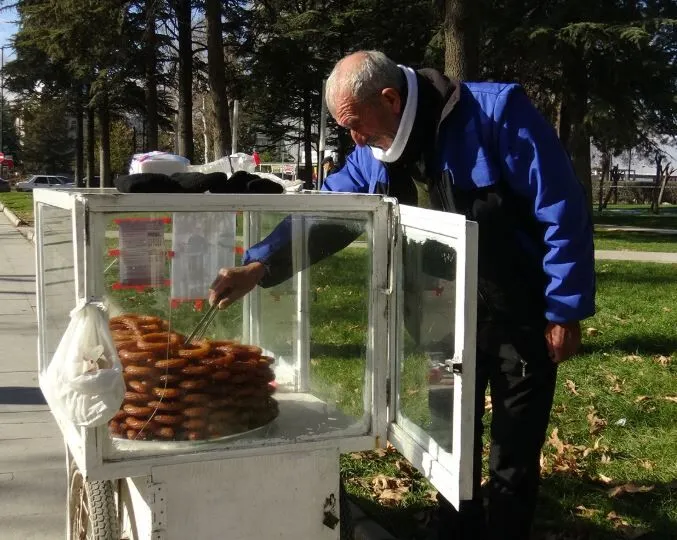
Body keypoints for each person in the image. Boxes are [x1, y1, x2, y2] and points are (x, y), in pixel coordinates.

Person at [210, 50, 595, 539]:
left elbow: (561, 210)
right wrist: (260, 263)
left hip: (517, 309)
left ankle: (506, 528)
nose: (355, 139)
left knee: (514, 443)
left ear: (390, 99)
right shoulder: (376, 150)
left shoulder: (497, 113)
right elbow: (329, 213)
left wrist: (563, 309)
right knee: (449, 425)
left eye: (355, 125)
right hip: (441, 315)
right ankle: (456, 522)